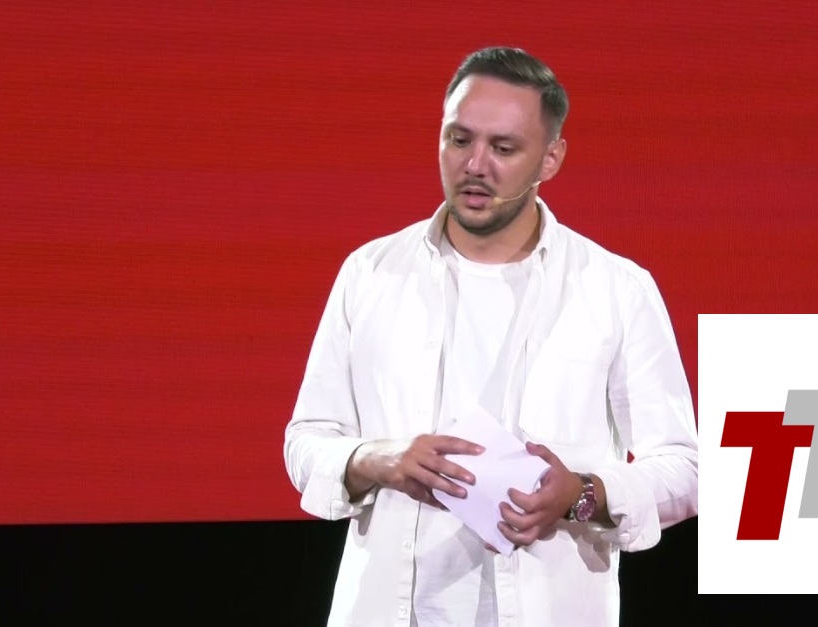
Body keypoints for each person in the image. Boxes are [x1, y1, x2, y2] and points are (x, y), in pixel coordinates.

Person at [283, 46, 698, 627]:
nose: (475, 165)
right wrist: (376, 458)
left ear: (550, 158)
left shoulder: (615, 287)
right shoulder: (370, 272)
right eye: (459, 140)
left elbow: (683, 466)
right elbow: (306, 441)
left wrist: (582, 493)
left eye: (503, 148)